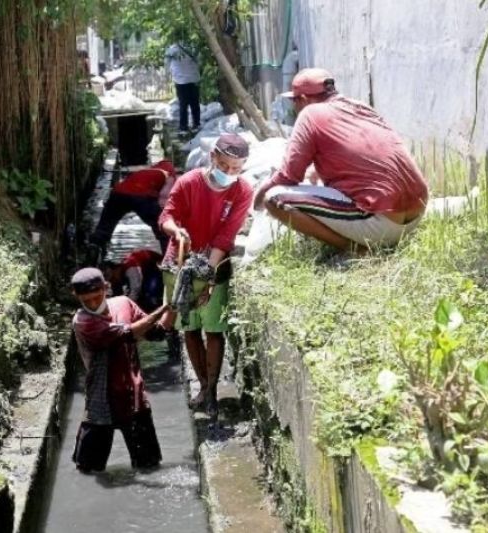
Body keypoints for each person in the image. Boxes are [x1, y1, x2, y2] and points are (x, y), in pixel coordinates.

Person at [253, 68, 429, 253]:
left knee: (274, 198)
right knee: (316, 180)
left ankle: (354, 249)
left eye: (294, 102)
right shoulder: (360, 107)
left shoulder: (310, 113)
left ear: (303, 99)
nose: (294, 108)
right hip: (416, 215)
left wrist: (259, 198)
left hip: (382, 226)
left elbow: (288, 176)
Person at [158, 133, 253, 417]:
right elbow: (167, 216)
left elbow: (226, 236)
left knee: (214, 330)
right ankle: (201, 384)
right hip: (180, 261)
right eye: (224, 166)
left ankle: (212, 389)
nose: (229, 174)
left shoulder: (242, 191)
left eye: (236, 169)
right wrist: (176, 230)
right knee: (190, 329)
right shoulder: (189, 182)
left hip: (214, 266)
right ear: (213, 157)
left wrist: (207, 272)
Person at [70, 267, 167, 473]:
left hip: (134, 397)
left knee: (149, 466)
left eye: (97, 297)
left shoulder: (123, 303)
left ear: (106, 288)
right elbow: (128, 333)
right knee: (87, 470)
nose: (93, 304)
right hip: (102, 400)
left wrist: (176, 306)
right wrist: (165, 307)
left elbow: (157, 332)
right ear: (76, 297)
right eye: (87, 301)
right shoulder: (83, 321)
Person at [88, 160, 177, 260]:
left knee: (105, 225)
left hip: (119, 193)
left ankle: (95, 249)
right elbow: (164, 197)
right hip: (143, 196)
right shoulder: (170, 173)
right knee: (163, 231)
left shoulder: (148, 171)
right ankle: (170, 260)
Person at [164, 40, 201, 134]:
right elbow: (199, 60)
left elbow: (166, 64)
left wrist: (168, 75)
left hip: (180, 81)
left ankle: (183, 127)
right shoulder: (193, 47)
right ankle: (196, 124)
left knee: (183, 105)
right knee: (195, 104)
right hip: (194, 79)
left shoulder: (171, 49)